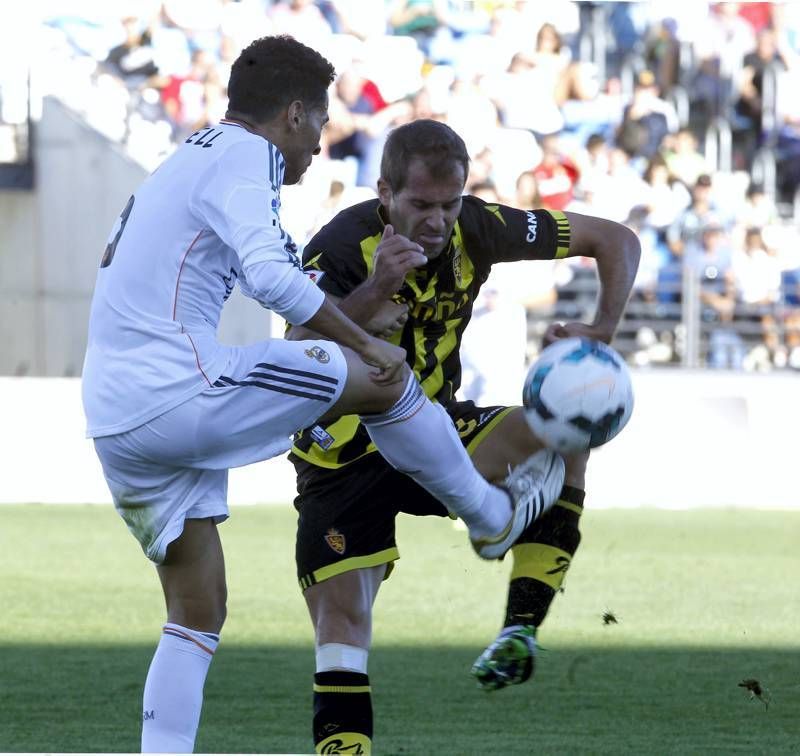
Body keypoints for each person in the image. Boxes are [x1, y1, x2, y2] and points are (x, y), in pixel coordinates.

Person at [81, 37, 564, 754]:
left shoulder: (192, 159)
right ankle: (491, 517)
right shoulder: (248, 156)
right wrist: (366, 340)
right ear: (295, 114)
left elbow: (246, 273)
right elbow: (276, 281)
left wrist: (358, 309)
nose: (321, 141)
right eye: (321, 122)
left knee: (195, 612)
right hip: (179, 387)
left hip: (114, 415)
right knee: (383, 378)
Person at [287, 119, 640, 753]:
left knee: (569, 429)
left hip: (435, 429)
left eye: (450, 204)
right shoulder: (342, 244)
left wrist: (602, 328)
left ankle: (520, 629)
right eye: (421, 205)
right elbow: (295, 347)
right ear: (385, 192)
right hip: (337, 453)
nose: (438, 220)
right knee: (342, 631)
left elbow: (614, 239)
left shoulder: (477, 226)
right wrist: (374, 293)